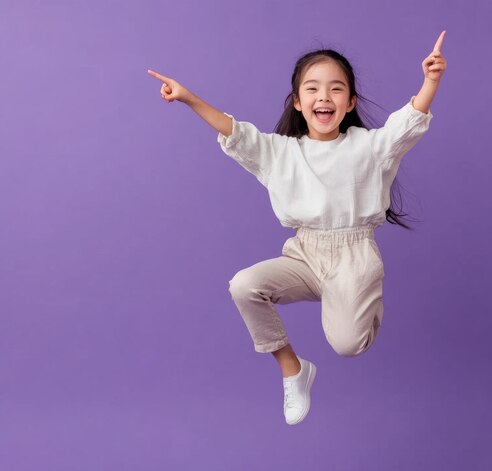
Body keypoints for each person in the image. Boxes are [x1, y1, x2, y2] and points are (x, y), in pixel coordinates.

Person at [147, 31, 448, 425]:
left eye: (336, 89)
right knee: (244, 285)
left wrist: (430, 81)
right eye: (313, 89)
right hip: (305, 255)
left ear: (350, 102)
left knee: (348, 345)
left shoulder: (370, 146)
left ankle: (359, 299)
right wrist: (188, 99)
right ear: (298, 101)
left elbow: (406, 123)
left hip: (353, 256)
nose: (324, 96)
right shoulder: (281, 152)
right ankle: (293, 369)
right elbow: (234, 132)